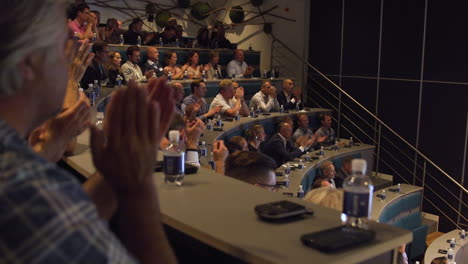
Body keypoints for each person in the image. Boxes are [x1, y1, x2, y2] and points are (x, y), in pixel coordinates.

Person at [0, 1, 177, 263]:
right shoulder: (20, 192)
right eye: (64, 45)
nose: (72, 59)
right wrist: (138, 189)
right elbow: (44, 216)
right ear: (29, 62)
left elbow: (63, 228)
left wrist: (119, 171)